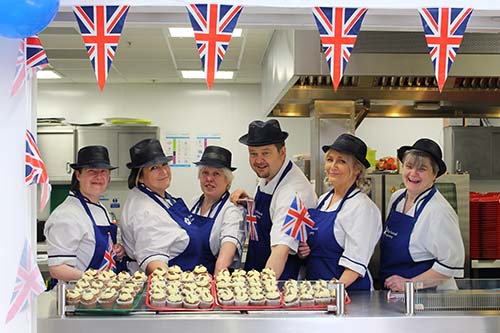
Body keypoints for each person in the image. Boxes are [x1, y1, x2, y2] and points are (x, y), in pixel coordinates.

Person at [230, 119, 317, 279]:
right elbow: (270, 212)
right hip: (258, 268)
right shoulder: (270, 174)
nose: (258, 160)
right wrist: (249, 202)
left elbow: (280, 251)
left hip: (280, 281)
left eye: (266, 153)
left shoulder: (291, 191)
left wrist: (262, 291)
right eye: (253, 154)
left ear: (282, 152)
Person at [298, 133, 382, 290]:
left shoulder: (362, 208)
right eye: (330, 160)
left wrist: (332, 293)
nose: (333, 166)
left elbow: (355, 265)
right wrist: (304, 251)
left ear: (357, 169)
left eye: (341, 161)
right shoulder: (323, 200)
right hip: (317, 289)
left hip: (349, 295)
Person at [379, 138, 465, 291]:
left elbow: (450, 264)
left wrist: (410, 284)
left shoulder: (439, 211)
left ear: (434, 174)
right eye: (409, 166)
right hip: (395, 293)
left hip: (428, 298)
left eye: (422, 169)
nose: (413, 173)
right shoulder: (396, 199)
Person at [44, 145, 126, 281]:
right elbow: (57, 269)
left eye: (103, 171)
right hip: (78, 294)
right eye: (92, 171)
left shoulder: (101, 208)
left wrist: (116, 251)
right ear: (78, 175)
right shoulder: (66, 214)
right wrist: (93, 278)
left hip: (103, 293)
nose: (99, 177)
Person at [190, 145, 245, 275]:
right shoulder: (193, 204)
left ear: (227, 180)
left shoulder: (232, 210)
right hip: (189, 278)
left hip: (215, 279)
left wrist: (214, 286)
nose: (209, 179)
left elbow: (227, 251)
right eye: (205, 173)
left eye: (216, 174)